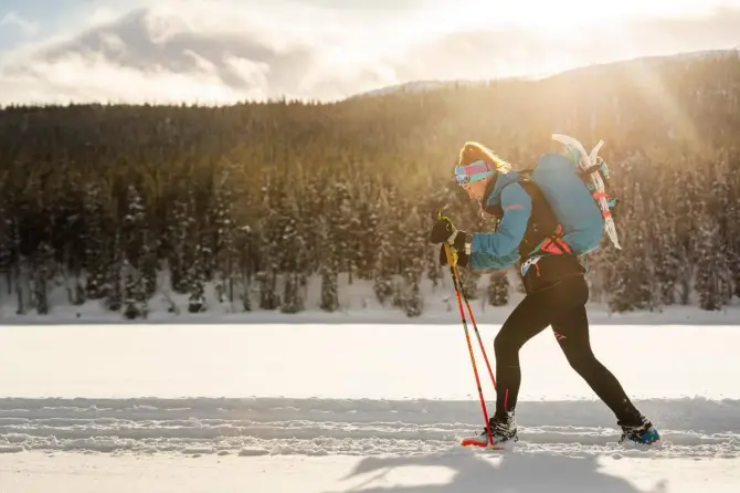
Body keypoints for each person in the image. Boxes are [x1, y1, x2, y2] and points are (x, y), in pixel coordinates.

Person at [429, 140, 660, 447]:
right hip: (565, 285)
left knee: (506, 342)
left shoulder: (515, 193)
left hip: (557, 285)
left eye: (467, 183)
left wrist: (463, 238)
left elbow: (504, 243)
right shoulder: (512, 199)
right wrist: (464, 252)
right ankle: (638, 428)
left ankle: (503, 426)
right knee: (582, 359)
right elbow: (506, 254)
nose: (467, 192)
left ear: (482, 175)